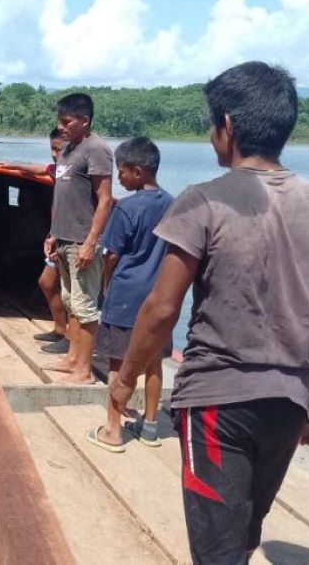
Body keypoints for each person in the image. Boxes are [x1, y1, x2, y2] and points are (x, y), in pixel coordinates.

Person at [108, 61, 309, 563]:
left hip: (218, 404)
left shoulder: (203, 202)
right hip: (289, 400)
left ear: (229, 125)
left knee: (217, 550)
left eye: (210, 123)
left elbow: (161, 308)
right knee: (242, 534)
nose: (209, 135)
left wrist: (126, 377)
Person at [82, 136, 173, 452]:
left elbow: (111, 255)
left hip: (126, 296)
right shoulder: (173, 204)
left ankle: (112, 429)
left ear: (137, 171)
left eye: (121, 171)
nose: (118, 178)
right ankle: (150, 426)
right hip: (161, 297)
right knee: (155, 362)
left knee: (118, 363)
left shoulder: (128, 208)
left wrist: (106, 285)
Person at [44, 94, 115, 383]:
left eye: (67, 121)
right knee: (70, 301)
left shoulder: (96, 150)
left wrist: (90, 242)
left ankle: (84, 370)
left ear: (85, 121)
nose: (61, 127)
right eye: (59, 122)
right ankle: (72, 358)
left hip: (81, 242)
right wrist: (53, 235)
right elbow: (62, 196)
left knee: (85, 306)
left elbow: (105, 199)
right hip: (63, 239)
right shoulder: (67, 149)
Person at [0, 128, 70, 347]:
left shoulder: (75, 174)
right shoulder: (58, 170)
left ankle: (70, 338)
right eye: (52, 149)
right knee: (47, 283)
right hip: (56, 237)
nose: (55, 154)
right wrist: (15, 165)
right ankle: (59, 329)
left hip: (71, 238)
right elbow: (41, 170)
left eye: (59, 149)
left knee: (71, 293)